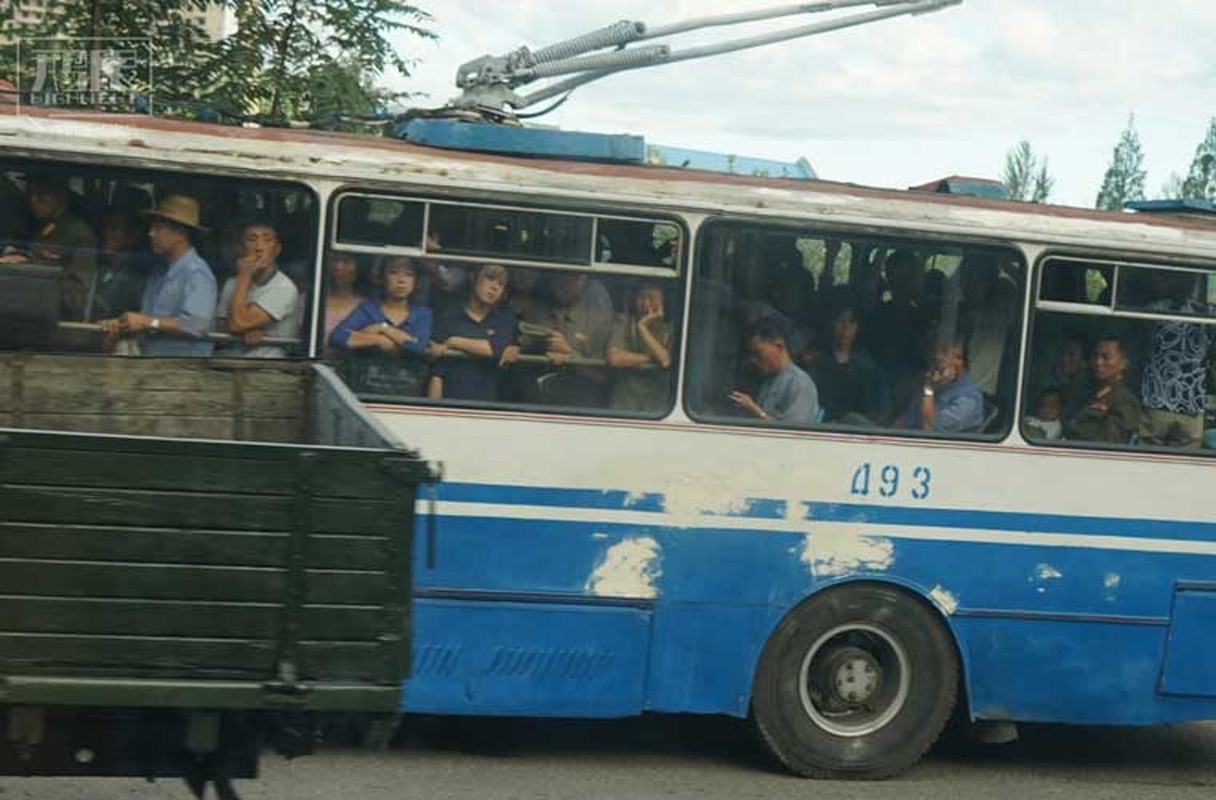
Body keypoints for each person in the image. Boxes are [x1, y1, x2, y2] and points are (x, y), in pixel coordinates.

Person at [98, 194, 217, 357]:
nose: (151, 234)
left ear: (180, 234)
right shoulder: (159, 272)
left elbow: (197, 325)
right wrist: (122, 324)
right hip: (154, 365)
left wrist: (148, 322)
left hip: (184, 372)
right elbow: (144, 321)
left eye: (159, 228)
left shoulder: (197, 273)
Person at [330, 256, 432, 395]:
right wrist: (378, 340)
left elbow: (418, 347)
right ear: (382, 278)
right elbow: (338, 337)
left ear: (416, 281)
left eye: (409, 274)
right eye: (394, 272)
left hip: (407, 394)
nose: (401, 280)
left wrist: (383, 329)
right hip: (366, 390)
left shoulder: (422, 314)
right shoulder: (368, 309)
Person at [0, 175, 97, 320]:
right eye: (30, 194)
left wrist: (31, 266)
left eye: (41, 195)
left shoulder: (78, 234)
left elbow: (76, 296)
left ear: (62, 196)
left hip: (56, 324)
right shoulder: (41, 224)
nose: (33, 200)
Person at [1138, 272, 1215, 448]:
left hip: (1156, 401)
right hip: (1191, 403)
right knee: (1185, 467)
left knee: (1147, 463)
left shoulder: (1154, 310)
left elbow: (1141, 348)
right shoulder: (1208, 314)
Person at [427, 263, 517, 402]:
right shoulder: (449, 315)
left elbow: (494, 348)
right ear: (474, 279)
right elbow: (437, 370)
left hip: (487, 404)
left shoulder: (504, 319)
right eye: (490, 279)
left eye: (501, 284)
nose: (495, 287)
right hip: (449, 401)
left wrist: (453, 342)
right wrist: (433, 410)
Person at [215, 220, 300, 358]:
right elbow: (220, 329)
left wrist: (244, 276)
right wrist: (244, 330)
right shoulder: (231, 283)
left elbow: (237, 324)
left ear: (277, 249)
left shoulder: (284, 287)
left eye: (267, 240)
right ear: (242, 248)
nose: (259, 247)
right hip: (228, 362)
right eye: (252, 239)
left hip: (266, 367)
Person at [729, 316, 819, 424]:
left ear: (779, 344)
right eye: (752, 355)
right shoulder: (766, 380)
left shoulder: (800, 383)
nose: (754, 360)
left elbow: (794, 433)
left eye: (758, 353)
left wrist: (756, 410)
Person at [605, 282, 673, 413]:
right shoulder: (622, 321)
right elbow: (614, 358)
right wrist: (651, 358)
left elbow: (665, 361)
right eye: (641, 297)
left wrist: (643, 329)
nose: (646, 304)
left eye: (652, 298)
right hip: (624, 401)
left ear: (663, 300)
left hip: (657, 404)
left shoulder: (670, 328)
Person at [807, 305, 879, 423]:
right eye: (841, 322)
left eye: (852, 323)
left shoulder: (866, 367)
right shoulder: (815, 361)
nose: (846, 329)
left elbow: (869, 410)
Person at [1063, 337, 1141, 445]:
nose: (1098, 362)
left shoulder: (1125, 401)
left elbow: (1109, 443)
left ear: (1124, 363)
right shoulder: (1088, 392)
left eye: (1106, 357)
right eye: (1095, 356)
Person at [901, 340, 984, 433]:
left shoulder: (968, 398)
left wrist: (929, 389)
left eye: (941, 361)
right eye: (933, 360)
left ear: (959, 361)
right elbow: (907, 418)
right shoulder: (940, 384)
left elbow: (930, 430)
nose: (934, 367)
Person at [89, 210, 150, 323]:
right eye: (106, 228)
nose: (107, 233)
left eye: (114, 229)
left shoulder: (138, 279)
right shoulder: (99, 269)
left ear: (132, 236)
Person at [323, 251, 366, 358]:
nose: (339, 267)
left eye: (346, 261)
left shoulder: (367, 307)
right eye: (335, 260)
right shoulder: (309, 301)